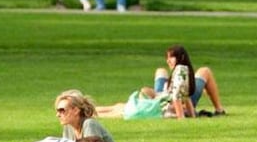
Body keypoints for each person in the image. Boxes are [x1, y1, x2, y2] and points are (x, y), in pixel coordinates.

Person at [97, 45, 227, 119]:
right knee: (160, 72)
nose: (168, 61)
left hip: (177, 99)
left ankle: (219, 108)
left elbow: (180, 97)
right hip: (166, 96)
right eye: (167, 58)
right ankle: (89, 110)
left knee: (205, 71)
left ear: (180, 57)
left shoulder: (182, 72)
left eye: (171, 58)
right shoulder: (179, 71)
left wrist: (184, 116)